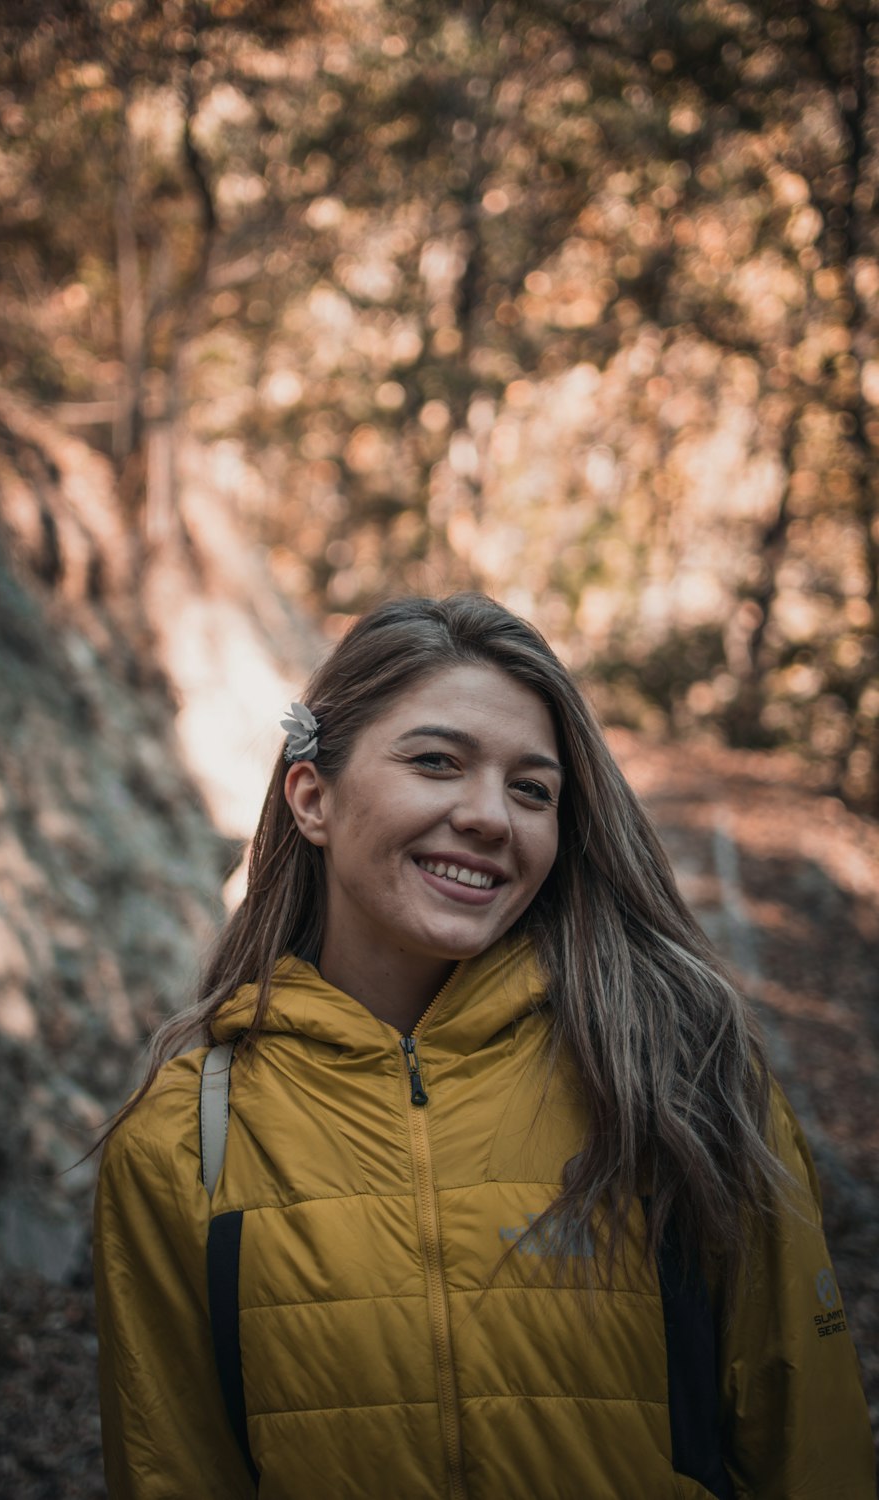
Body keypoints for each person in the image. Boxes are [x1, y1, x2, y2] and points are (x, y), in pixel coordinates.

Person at [93, 593, 874, 1500]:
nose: (490, 816)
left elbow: (811, 1450)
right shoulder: (185, 1143)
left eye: (532, 790)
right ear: (312, 797)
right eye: (437, 762)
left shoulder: (680, 1081)